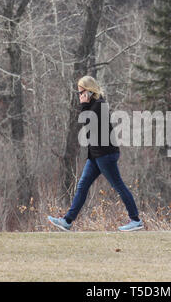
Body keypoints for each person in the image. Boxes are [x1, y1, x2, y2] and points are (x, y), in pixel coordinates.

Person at [48, 76, 143, 232]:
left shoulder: (99, 105)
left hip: (105, 154)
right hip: (95, 155)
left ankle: (136, 220)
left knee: (118, 186)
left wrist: (84, 106)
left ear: (89, 91)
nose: (79, 96)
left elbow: (87, 123)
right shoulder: (94, 105)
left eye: (81, 92)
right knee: (82, 186)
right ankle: (67, 221)